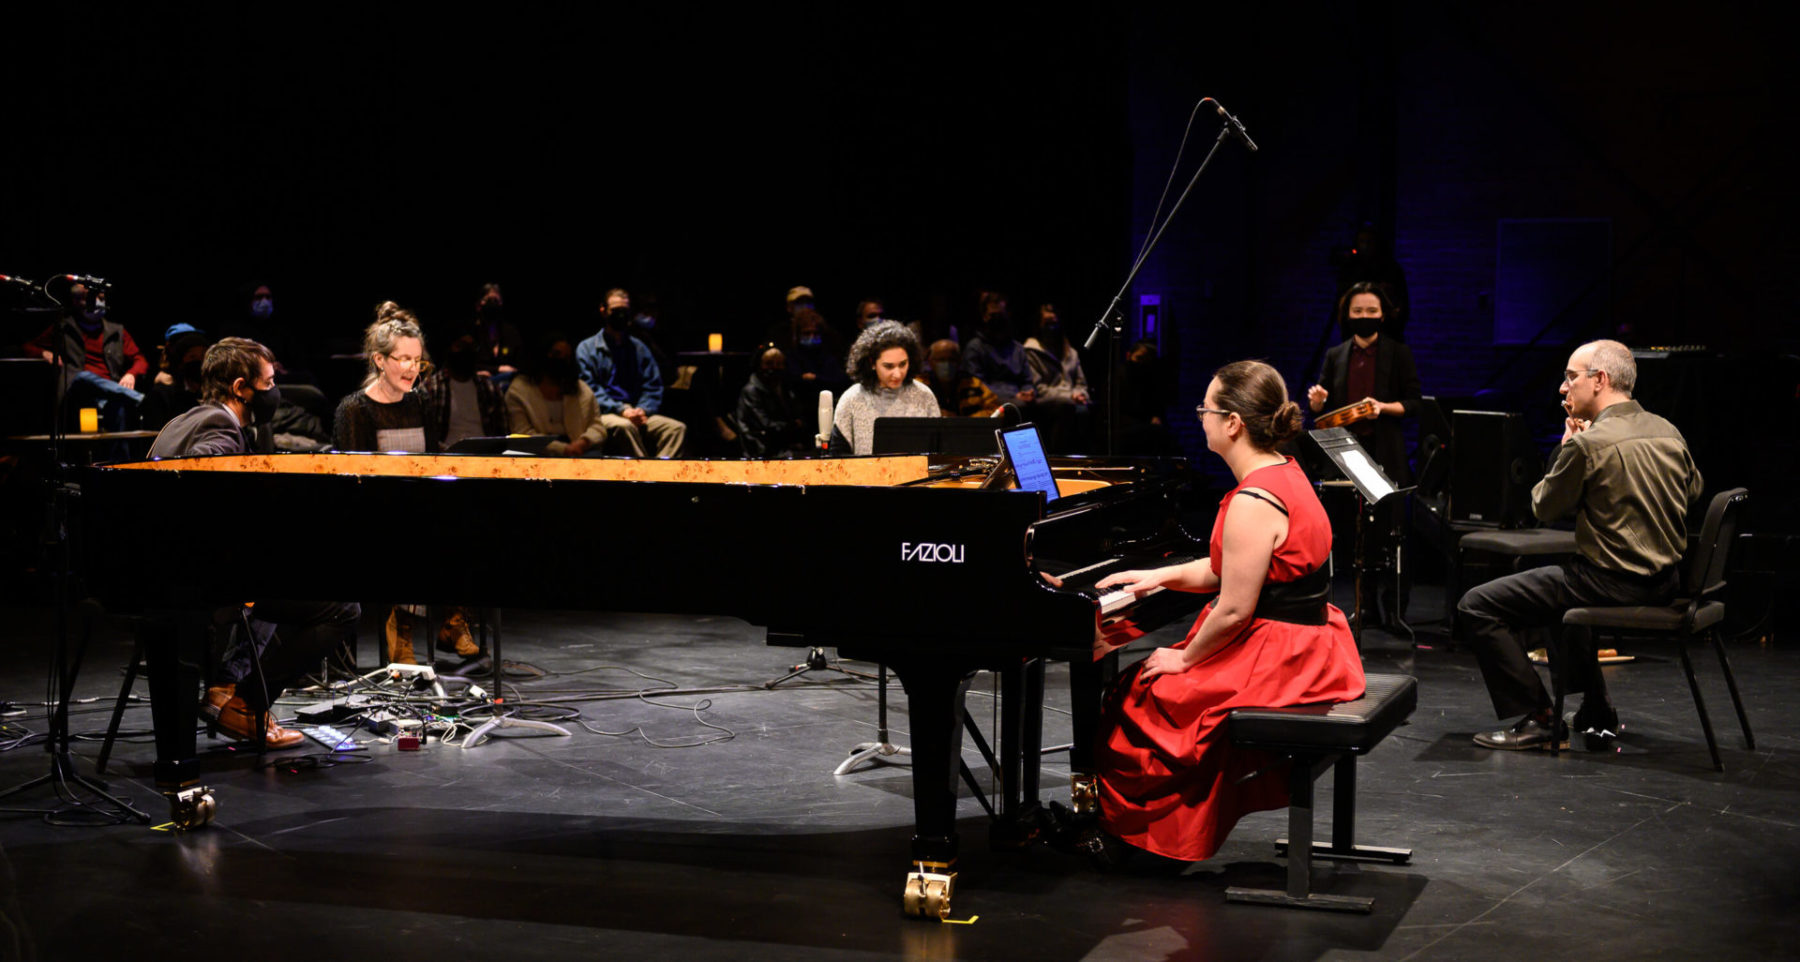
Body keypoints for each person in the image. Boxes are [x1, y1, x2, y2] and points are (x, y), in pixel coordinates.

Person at [1078, 360, 1365, 863]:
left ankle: (1146, 844)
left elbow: (1233, 609)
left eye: (1205, 408)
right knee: (1147, 683)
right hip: (1311, 642)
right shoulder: (1283, 471)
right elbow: (1228, 570)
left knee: (1149, 692)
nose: (1199, 417)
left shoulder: (1254, 499)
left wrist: (1185, 661)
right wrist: (1158, 576)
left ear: (1233, 422)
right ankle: (1133, 825)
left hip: (1284, 654)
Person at [1460, 339, 1703, 749]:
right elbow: (1692, 490)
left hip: (1612, 583)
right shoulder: (1668, 430)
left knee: (1476, 604)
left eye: (1571, 377)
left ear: (1600, 380)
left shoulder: (1589, 445)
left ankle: (1540, 716)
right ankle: (1595, 708)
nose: (1562, 387)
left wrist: (1567, 446)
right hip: (1666, 582)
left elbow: (1544, 506)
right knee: (1556, 588)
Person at [147, 337, 359, 749]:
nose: (274, 391)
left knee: (275, 579)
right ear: (242, 387)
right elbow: (196, 482)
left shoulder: (184, 419)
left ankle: (226, 686)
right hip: (195, 579)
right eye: (269, 382)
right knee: (342, 608)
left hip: (163, 569)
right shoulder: (220, 427)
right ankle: (247, 705)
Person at [1306, 281, 1421, 485]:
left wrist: (1382, 407)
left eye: (1371, 310)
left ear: (1382, 315)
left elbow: (1414, 403)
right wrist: (1317, 401)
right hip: (1344, 453)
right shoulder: (1335, 355)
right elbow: (1320, 411)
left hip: (1385, 449)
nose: (1364, 316)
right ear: (1348, 315)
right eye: (1357, 311)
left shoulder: (1399, 353)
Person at [575, 289, 686, 457]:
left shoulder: (639, 348)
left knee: (676, 429)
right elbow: (589, 390)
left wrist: (643, 409)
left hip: (637, 412)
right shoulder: (587, 349)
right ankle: (644, 477)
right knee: (624, 427)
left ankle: (663, 477)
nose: (621, 316)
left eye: (625, 311)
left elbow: (653, 386)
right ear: (603, 311)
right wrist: (621, 410)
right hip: (606, 414)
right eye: (616, 311)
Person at [24, 281, 147, 430]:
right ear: (76, 301)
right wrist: (43, 353)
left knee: (117, 406)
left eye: (101, 298)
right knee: (84, 376)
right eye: (90, 298)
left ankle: (119, 453)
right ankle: (139, 398)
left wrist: (131, 374)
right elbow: (28, 346)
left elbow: (140, 359)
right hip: (75, 391)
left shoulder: (117, 331)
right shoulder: (64, 328)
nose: (98, 303)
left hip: (108, 391)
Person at [332, 302, 431, 454]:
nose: (413, 368)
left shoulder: (420, 402)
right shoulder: (354, 410)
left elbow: (435, 461)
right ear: (379, 360)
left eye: (417, 360)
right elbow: (355, 471)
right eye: (405, 359)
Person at [830, 321, 939, 455]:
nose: (897, 373)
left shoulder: (924, 395)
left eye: (903, 364)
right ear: (872, 363)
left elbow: (938, 453)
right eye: (889, 366)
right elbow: (837, 460)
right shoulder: (851, 399)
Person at [505, 332, 607, 457]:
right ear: (543, 355)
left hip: (578, 448)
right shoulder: (519, 390)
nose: (561, 360)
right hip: (537, 452)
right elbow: (521, 433)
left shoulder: (581, 389)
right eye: (556, 354)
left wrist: (583, 442)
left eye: (567, 356)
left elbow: (597, 426)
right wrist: (561, 449)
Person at [417, 333, 508, 449]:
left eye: (471, 347)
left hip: (486, 459)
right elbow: (425, 437)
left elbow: (503, 436)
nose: (466, 353)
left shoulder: (490, 390)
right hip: (445, 457)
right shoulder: (430, 389)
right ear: (449, 349)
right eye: (460, 346)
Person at [1022, 303, 1092, 451]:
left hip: (1072, 401)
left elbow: (1081, 383)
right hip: (1047, 403)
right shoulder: (1031, 352)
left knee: (1087, 410)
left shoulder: (1071, 353)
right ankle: (1058, 457)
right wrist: (1070, 397)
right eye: (1047, 323)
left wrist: (1080, 394)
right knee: (1067, 408)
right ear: (1039, 324)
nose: (1052, 328)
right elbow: (1039, 388)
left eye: (1054, 323)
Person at [736, 344, 809, 457]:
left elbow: (797, 414)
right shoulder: (751, 391)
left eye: (779, 364)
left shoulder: (784, 387)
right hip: (759, 446)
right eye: (769, 363)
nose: (774, 368)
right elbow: (765, 424)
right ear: (759, 365)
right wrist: (793, 425)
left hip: (782, 443)